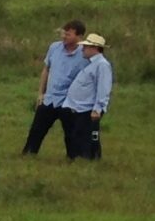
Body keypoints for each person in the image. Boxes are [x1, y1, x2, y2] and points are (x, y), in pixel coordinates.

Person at [24, 21, 90, 157]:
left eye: (68, 34)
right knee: (37, 129)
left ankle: (73, 158)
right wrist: (41, 93)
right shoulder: (54, 48)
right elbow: (46, 70)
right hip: (50, 98)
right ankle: (29, 154)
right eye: (63, 33)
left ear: (79, 36)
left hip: (70, 101)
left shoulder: (84, 54)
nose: (64, 36)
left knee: (71, 133)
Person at [62, 34, 113, 160]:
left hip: (88, 109)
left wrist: (98, 108)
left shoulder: (102, 65)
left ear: (94, 48)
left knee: (85, 136)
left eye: (85, 46)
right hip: (80, 107)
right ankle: (80, 157)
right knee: (78, 135)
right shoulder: (91, 64)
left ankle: (89, 158)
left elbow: (103, 88)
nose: (83, 49)